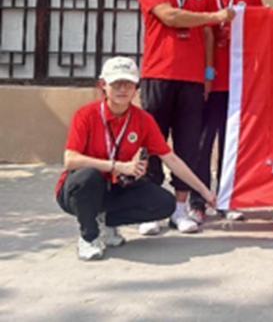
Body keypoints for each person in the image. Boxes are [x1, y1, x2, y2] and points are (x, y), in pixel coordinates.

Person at [56, 57, 217, 261]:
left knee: (164, 203)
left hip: (115, 185)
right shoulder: (86, 115)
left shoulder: (143, 119)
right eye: (116, 84)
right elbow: (70, 160)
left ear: (136, 87)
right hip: (79, 189)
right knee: (88, 176)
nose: (122, 89)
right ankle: (89, 237)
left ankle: (106, 221)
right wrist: (117, 166)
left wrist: (204, 191)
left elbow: (171, 159)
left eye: (128, 84)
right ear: (103, 85)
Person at [136, 0, 235, 235]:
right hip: (158, 74)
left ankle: (180, 210)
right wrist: (214, 16)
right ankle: (151, 210)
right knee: (153, 143)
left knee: (188, 145)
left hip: (192, 79)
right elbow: (170, 16)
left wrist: (208, 73)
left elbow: (207, 35)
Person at [188, 0, 263, 223]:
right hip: (206, 82)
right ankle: (198, 202)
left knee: (231, 144)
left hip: (238, 83)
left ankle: (227, 198)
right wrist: (206, 74)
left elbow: (261, 37)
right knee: (202, 143)